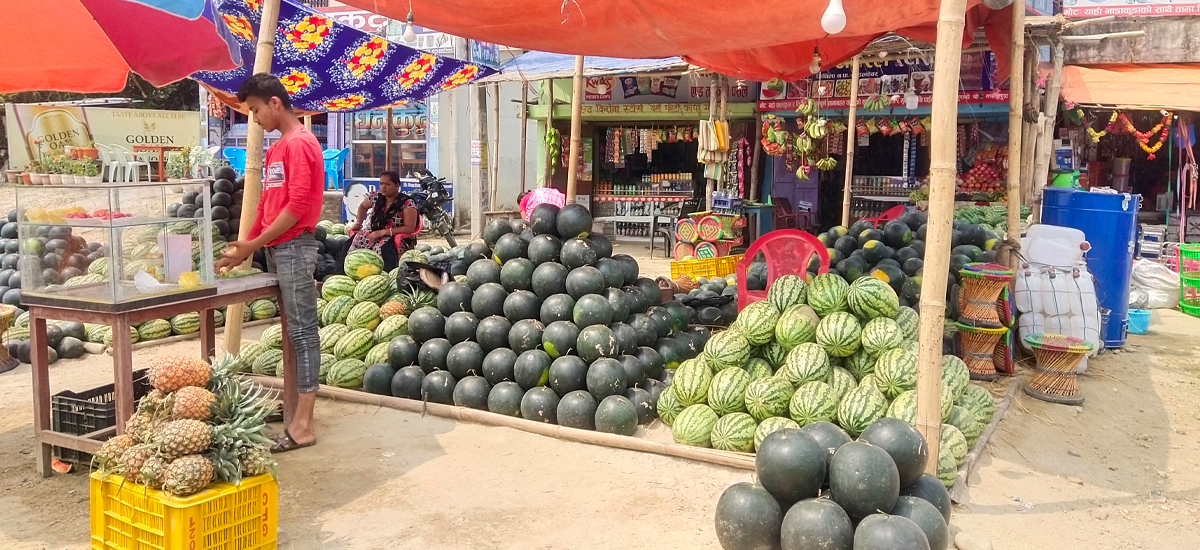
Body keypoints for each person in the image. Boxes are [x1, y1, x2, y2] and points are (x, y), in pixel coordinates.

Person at [216, 73, 323, 453]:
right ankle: (298, 414)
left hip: (295, 246)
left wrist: (253, 244)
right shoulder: (278, 148)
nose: (256, 118)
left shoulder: (301, 144)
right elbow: (267, 204)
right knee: (296, 334)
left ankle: (305, 424)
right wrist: (246, 245)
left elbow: (297, 208)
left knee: (304, 334)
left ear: (275, 103)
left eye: (257, 110)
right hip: (277, 248)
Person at [348, 170, 419, 270]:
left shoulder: (407, 203)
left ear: (397, 185)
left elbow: (409, 228)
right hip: (375, 232)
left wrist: (384, 232)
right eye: (381, 184)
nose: (383, 187)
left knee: (380, 249)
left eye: (387, 184)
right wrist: (358, 223)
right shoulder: (376, 197)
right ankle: (353, 270)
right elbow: (363, 207)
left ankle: (379, 274)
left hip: (396, 236)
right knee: (358, 239)